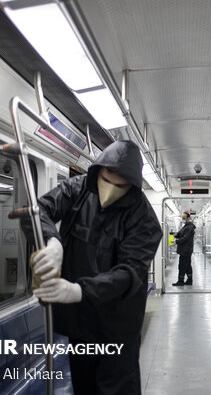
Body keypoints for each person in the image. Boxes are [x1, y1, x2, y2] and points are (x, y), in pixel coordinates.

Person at [29, 140, 162, 395]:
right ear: (97, 172)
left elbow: (129, 272)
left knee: (117, 388)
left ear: (132, 186)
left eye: (119, 186)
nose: (110, 189)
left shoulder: (144, 218)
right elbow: (38, 211)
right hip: (80, 323)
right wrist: (52, 241)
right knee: (84, 386)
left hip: (118, 328)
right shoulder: (78, 190)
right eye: (105, 179)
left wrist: (80, 291)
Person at [172, 212, 196, 286]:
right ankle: (189, 280)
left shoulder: (189, 227)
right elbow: (180, 234)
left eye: (184, 218)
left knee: (182, 265)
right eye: (182, 218)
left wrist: (176, 241)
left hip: (186, 250)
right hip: (185, 250)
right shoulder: (186, 226)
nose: (182, 219)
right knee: (188, 265)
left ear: (188, 218)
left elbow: (185, 238)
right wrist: (173, 234)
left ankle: (180, 281)